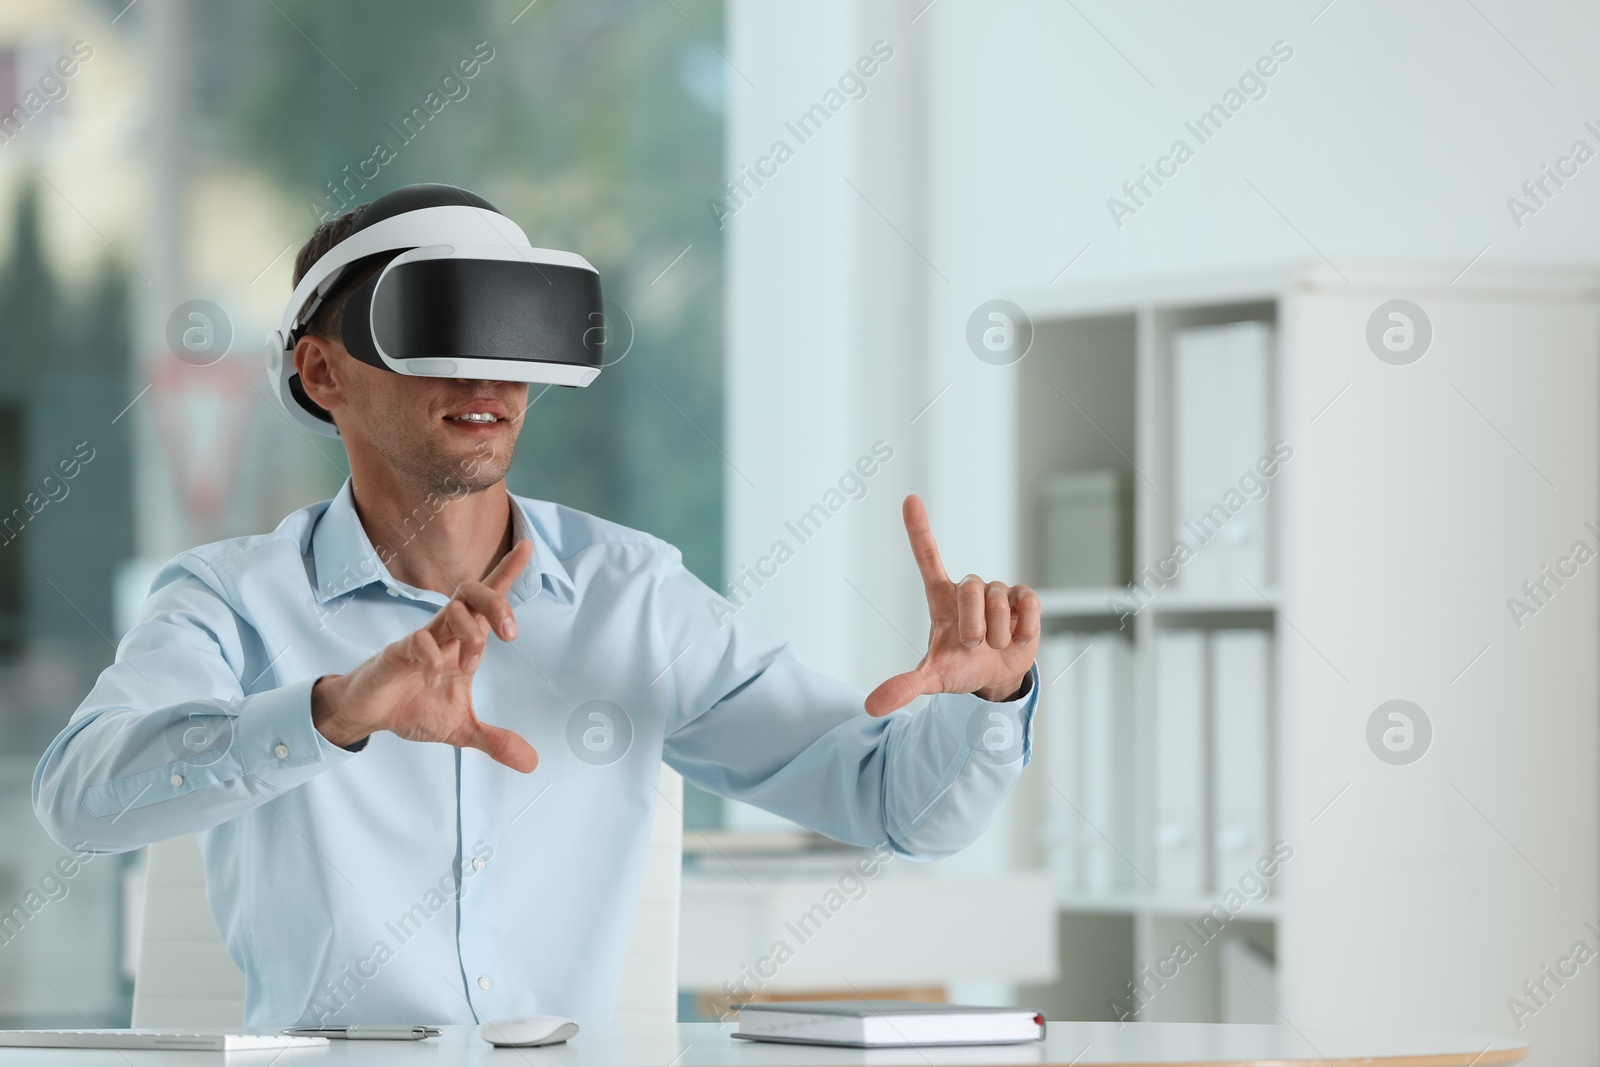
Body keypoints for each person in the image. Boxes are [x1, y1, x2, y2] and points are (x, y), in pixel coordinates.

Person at [33, 184, 1041, 1029]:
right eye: (439, 330)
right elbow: (78, 797)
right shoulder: (234, 599)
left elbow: (897, 807)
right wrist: (327, 713)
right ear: (321, 370)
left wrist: (986, 703)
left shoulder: (634, 599)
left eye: (515, 331)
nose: (487, 376)